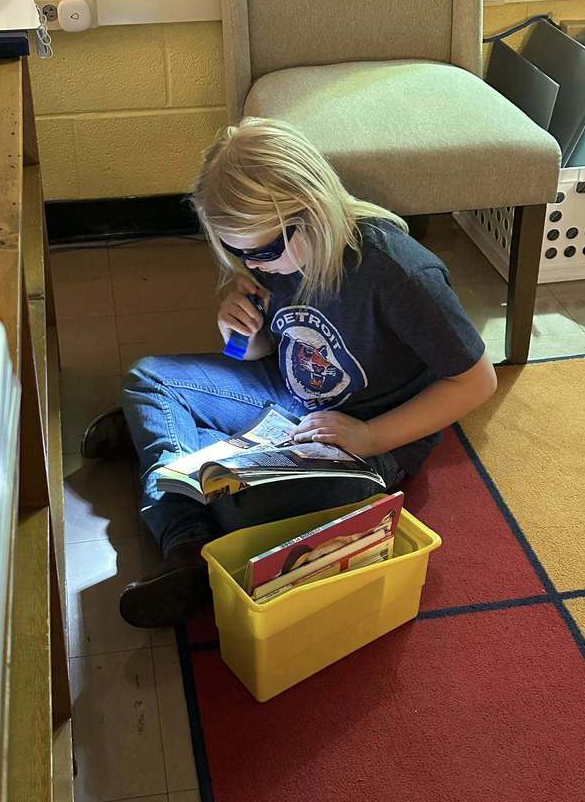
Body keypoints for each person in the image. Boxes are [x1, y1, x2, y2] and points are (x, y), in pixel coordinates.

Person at [87, 118, 497, 628]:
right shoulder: (272, 257)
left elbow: (477, 381)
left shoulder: (400, 273)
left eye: (264, 250)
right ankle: (189, 542)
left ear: (314, 209)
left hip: (367, 438)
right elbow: (264, 350)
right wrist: (243, 333)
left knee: (245, 509)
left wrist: (371, 436)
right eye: (238, 252)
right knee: (149, 378)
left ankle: (172, 460)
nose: (256, 264)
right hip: (286, 398)